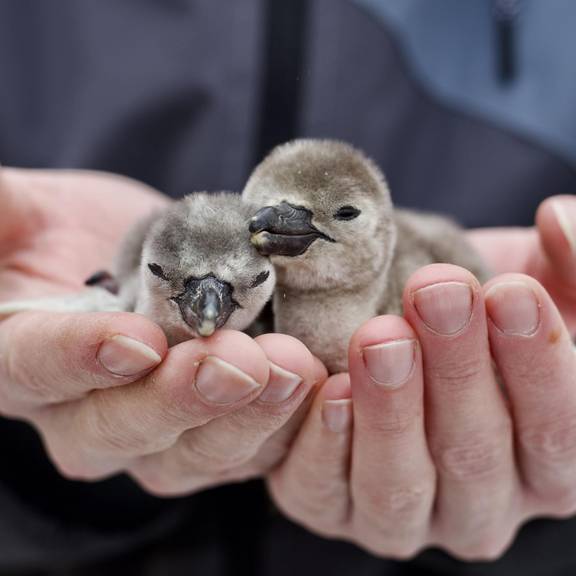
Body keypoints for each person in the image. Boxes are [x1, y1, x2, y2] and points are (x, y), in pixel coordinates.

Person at [1, 1, 576, 574]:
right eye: (269, 216)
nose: (285, 226)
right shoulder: (245, 303)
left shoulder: (414, 275)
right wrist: (26, 461)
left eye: (340, 215)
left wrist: (548, 513)